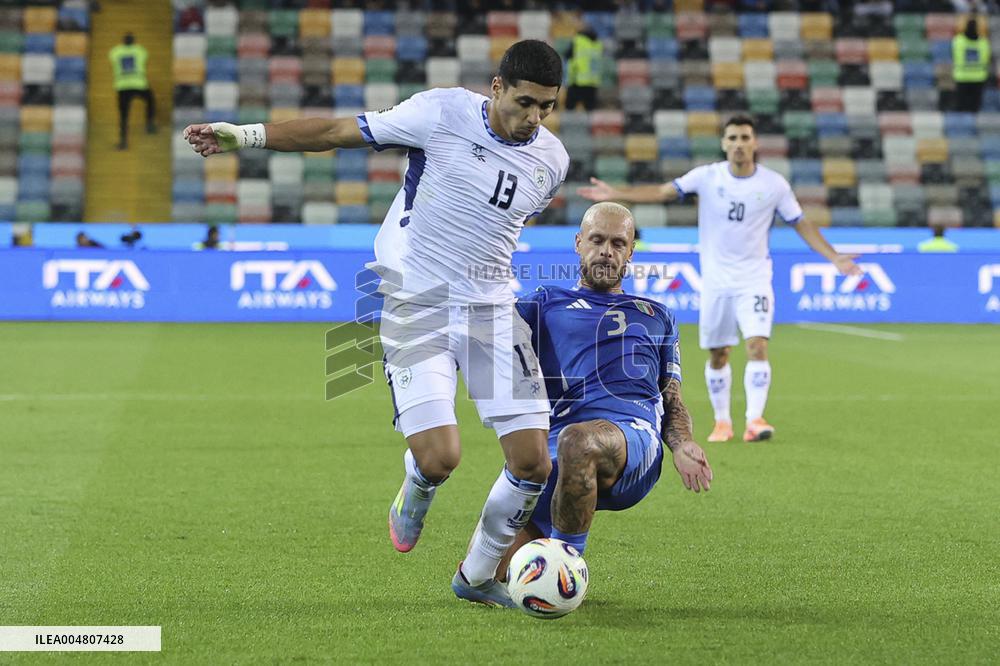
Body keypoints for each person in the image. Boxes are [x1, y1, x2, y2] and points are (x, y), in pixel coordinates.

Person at [184, 40, 570, 608]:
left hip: (490, 307)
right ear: (495, 87)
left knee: (534, 462)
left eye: (546, 107)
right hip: (418, 301)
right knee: (441, 459)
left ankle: (477, 575)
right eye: (524, 103)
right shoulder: (440, 112)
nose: (533, 118)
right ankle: (417, 484)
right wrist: (244, 136)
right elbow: (337, 133)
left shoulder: (552, 159)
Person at [578, 115, 861, 444]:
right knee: (719, 354)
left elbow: (800, 222)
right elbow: (662, 192)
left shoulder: (774, 185)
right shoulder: (707, 177)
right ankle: (723, 421)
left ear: (754, 143)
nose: (739, 144)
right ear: (724, 144)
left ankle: (754, 419)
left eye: (745, 137)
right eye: (733, 138)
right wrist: (617, 193)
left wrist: (834, 256)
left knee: (757, 345)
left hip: (754, 278)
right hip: (715, 281)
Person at [500, 202, 712, 567]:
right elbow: (482, 339)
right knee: (481, 576)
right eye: (597, 240)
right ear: (578, 242)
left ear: (630, 252)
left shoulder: (657, 316)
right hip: (554, 450)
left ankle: (567, 569)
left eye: (618, 243)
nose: (606, 251)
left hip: (633, 439)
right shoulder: (543, 304)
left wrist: (682, 443)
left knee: (579, 442)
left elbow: (671, 398)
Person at [109, 33, 156, 150]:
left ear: (123, 41)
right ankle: (149, 123)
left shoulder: (115, 51)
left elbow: (113, 62)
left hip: (122, 85)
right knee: (150, 100)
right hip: (139, 83)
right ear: (134, 41)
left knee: (123, 116)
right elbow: (145, 60)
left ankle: (123, 142)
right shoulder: (140, 50)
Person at [953, 18, 991, 113]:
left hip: (962, 77)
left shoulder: (958, 41)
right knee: (975, 107)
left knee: (960, 106)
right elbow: (987, 60)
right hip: (978, 78)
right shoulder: (984, 43)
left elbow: (953, 56)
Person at [564, 25, 602, 112]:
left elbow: (567, 55)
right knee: (590, 112)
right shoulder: (598, 44)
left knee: (569, 110)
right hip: (593, 82)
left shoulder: (578, 41)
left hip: (577, 81)